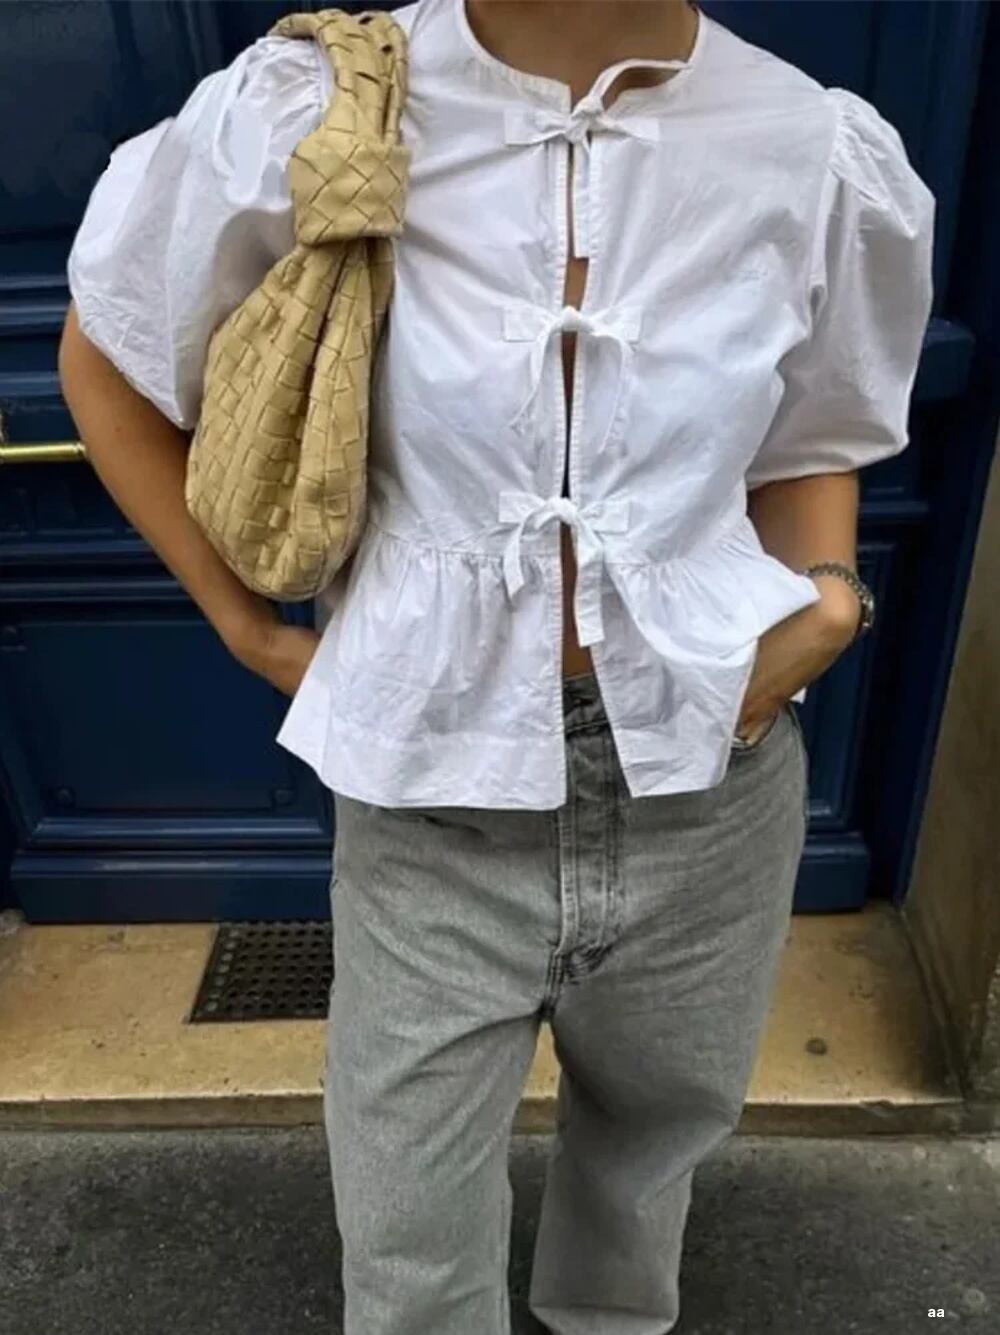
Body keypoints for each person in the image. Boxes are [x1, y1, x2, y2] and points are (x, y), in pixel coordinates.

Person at [59, 0, 935, 1330]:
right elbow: (109, 354)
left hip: (712, 780)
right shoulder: (312, 105)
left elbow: (815, 435)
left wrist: (823, 610)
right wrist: (249, 629)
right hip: (432, 802)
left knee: (653, 1149)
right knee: (408, 1238)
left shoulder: (807, 145)